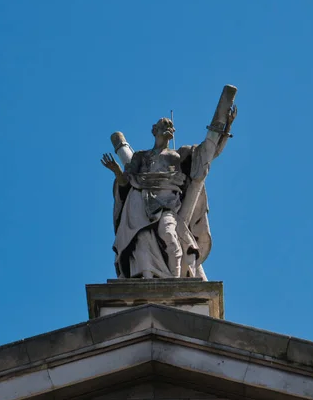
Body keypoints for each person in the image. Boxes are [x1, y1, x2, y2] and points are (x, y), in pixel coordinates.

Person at [101, 109, 236, 279]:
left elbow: (209, 152)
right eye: (164, 124)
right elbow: (126, 182)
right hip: (140, 205)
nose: (169, 126)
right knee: (141, 242)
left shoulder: (178, 155)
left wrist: (226, 126)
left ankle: (175, 281)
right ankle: (151, 277)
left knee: (171, 239)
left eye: (171, 125)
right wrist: (117, 171)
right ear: (154, 130)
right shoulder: (140, 157)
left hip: (166, 206)